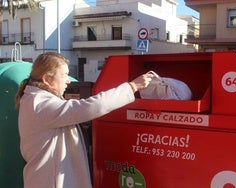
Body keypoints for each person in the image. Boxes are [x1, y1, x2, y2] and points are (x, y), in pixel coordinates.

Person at [15, 52, 153, 188]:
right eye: (63, 75)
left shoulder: (37, 99)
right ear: (46, 79)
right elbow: (89, 107)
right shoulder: (40, 104)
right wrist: (132, 87)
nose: (68, 81)